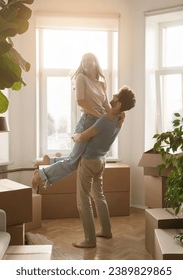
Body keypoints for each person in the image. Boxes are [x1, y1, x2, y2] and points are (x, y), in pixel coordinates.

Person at [33, 53, 123, 187]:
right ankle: (40, 174)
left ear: (95, 62)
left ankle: (49, 162)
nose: (85, 63)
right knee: (73, 162)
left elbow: (106, 107)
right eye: (83, 61)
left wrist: (121, 114)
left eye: (89, 60)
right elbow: (81, 102)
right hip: (87, 121)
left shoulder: (101, 84)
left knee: (85, 158)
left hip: (99, 123)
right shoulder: (81, 78)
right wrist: (100, 116)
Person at [71, 86, 136, 248]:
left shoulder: (105, 120)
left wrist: (74, 135)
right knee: (99, 196)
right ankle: (106, 231)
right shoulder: (119, 120)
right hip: (101, 161)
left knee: (83, 200)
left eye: (116, 96)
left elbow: (82, 137)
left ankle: (89, 240)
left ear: (119, 104)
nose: (112, 96)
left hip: (89, 161)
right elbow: (118, 111)